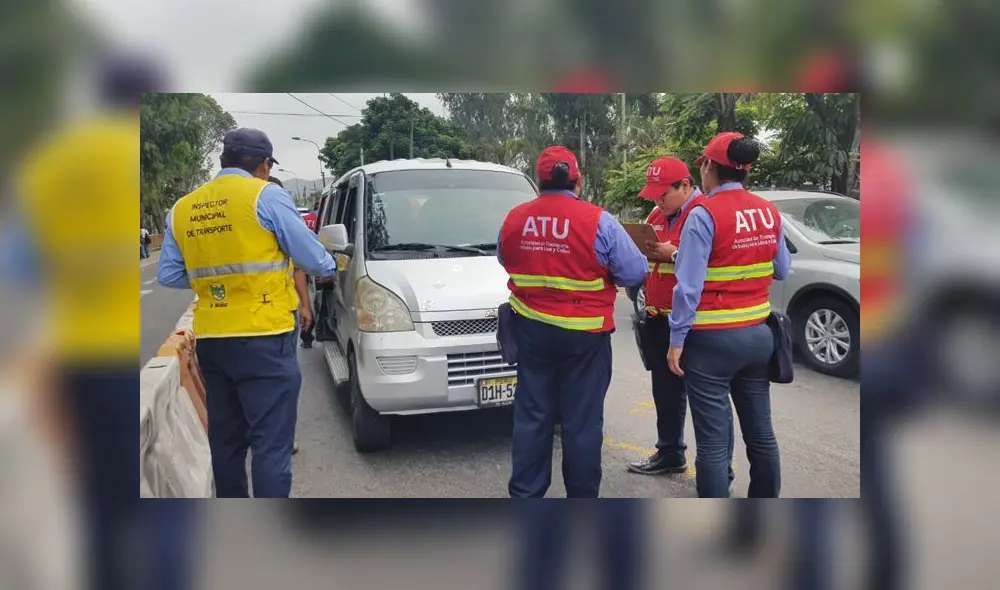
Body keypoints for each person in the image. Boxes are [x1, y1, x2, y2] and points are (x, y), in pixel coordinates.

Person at [158, 128, 336, 497]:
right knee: (271, 447)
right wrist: (330, 264)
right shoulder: (266, 196)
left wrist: (215, 279)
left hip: (212, 343)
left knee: (226, 445)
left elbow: (170, 274)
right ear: (264, 164)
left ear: (223, 161)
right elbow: (314, 259)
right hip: (264, 337)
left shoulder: (183, 207)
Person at [498, 145, 647, 498]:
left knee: (533, 418)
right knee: (581, 423)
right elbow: (634, 271)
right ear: (577, 181)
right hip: (584, 338)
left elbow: (505, 258)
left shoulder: (515, 218)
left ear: (540, 181)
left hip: (531, 332)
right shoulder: (599, 221)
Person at [667, 131, 792, 498]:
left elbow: (687, 288)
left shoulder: (703, 215)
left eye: (702, 164)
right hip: (757, 336)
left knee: (713, 445)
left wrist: (676, 342)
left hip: (711, 343)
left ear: (709, 167)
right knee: (762, 435)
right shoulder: (768, 212)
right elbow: (782, 269)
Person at [626, 157, 716, 477]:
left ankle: (714, 469)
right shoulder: (656, 214)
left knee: (705, 398)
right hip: (657, 317)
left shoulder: (701, 214)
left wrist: (672, 253)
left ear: (686, 186)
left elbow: (704, 267)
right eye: (653, 194)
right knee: (664, 393)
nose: (657, 200)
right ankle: (670, 453)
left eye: (664, 193)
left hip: (692, 321)